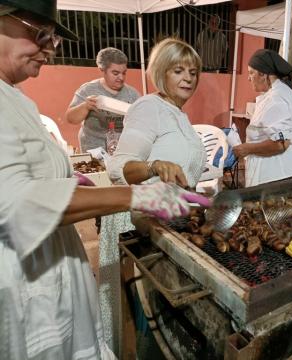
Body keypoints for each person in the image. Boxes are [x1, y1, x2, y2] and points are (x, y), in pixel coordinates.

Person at [0, 2, 209, 358]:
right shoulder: (149, 107)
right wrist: (137, 195)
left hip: (55, 265)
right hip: (25, 281)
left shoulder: (15, 97)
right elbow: (15, 202)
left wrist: (63, 176)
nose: (50, 47)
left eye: (54, 38)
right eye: (40, 33)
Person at [102, 37, 207, 354]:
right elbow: (118, 167)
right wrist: (152, 166)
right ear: (162, 72)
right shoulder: (149, 107)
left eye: (192, 71)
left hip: (174, 225)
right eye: (178, 70)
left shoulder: (179, 114)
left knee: (172, 314)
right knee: (151, 315)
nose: (188, 78)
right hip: (146, 227)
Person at [232, 49, 292, 187]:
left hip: (280, 174)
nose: (248, 78)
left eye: (251, 72)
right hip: (286, 171)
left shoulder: (277, 98)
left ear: (263, 74)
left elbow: (280, 144)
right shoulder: (281, 92)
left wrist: (247, 149)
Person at [65, 47, 140, 152]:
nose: (121, 78)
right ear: (102, 70)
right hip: (93, 151)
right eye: (115, 73)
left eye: (124, 73)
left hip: (122, 151)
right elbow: (71, 118)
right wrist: (85, 106)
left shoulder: (132, 94)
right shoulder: (88, 90)